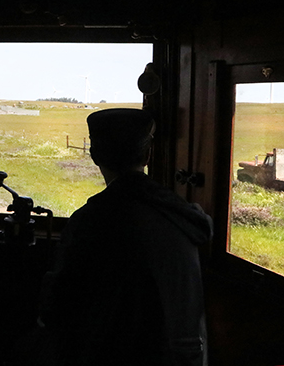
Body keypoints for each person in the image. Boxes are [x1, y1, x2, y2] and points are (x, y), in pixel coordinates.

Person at [36, 108, 213, 366]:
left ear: (94, 155)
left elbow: (59, 305)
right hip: (187, 355)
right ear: (148, 155)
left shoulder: (93, 220)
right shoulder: (181, 215)